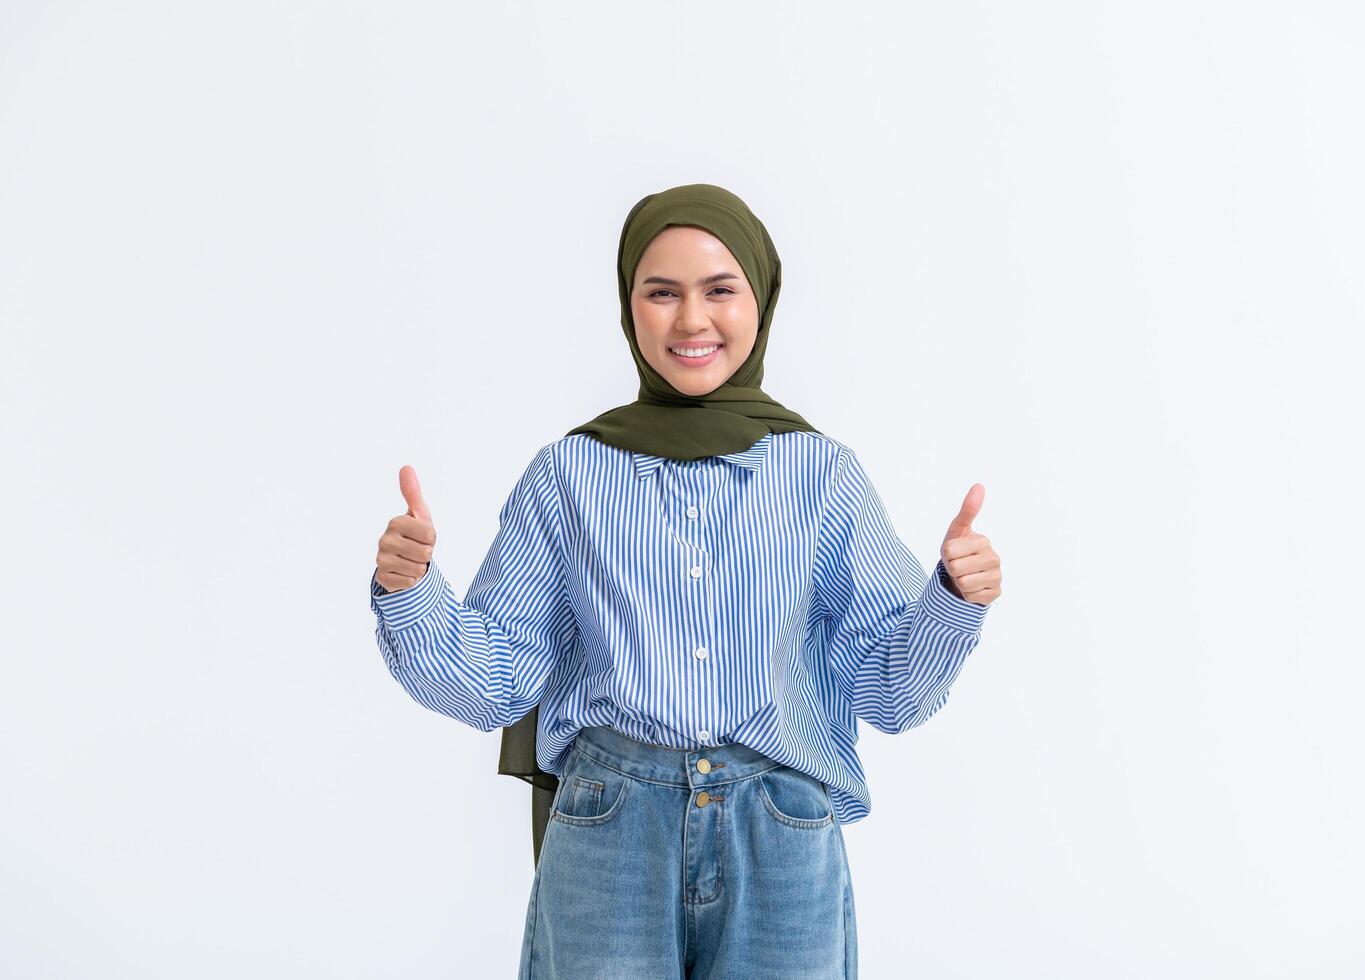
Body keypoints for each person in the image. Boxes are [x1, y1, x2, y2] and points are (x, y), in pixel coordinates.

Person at [369, 182, 1003, 979]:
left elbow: (889, 696)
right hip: (610, 829)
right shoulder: (569, 474)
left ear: (760, 301)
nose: (691, 319)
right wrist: (412, 590)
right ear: (628, 306)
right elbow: (495, 681)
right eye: (660, 292)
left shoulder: (821, 476)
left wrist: (952, 600)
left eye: (719, 290)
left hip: (779, 827)